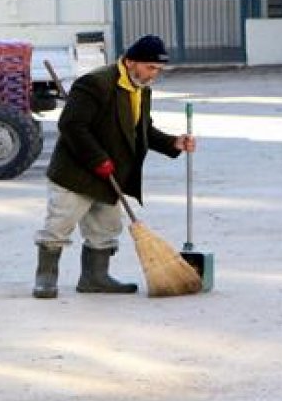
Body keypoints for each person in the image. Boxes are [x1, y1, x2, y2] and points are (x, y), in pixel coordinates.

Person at [32, 34, 196, 299]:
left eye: (159, 69)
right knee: (59, 225)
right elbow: (72, 126)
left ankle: (94, 278)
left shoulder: (141, 88)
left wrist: (173, 142)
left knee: (105, 229)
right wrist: (97, 159)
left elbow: (141, 129)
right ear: (130, 61)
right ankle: (45, 278)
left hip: (109, 174)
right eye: (151, 67)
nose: (154, 74)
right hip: (75, 172)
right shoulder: (95, 83)